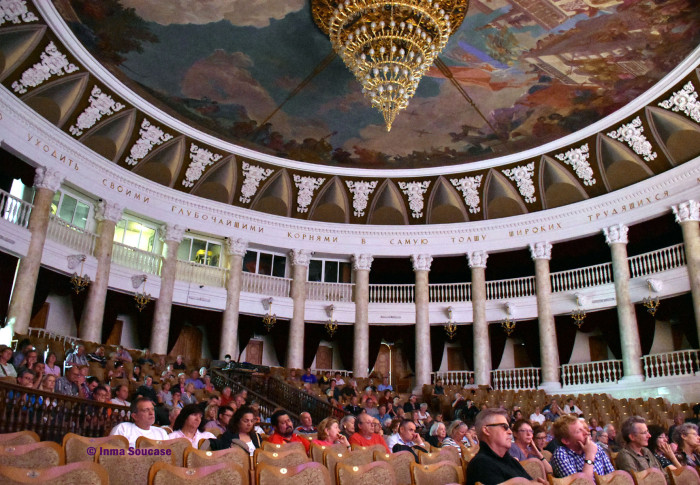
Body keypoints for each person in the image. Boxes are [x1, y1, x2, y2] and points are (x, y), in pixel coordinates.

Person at [465, 408, 537, 485]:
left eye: (509, 428)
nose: (510, 432)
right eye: (505, 427)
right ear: (486, 430)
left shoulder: (511, 461)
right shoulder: (481, 464)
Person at [551, 415, 615, 479]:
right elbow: (582, 483)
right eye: (578, 431)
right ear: (566, 440)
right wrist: (590, 455)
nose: (586, 433)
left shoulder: (596, 447)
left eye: (584, 428)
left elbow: (613, 479)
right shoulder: (561, 454)